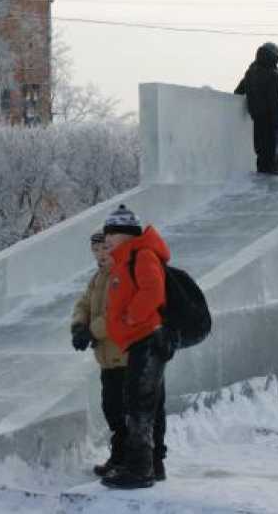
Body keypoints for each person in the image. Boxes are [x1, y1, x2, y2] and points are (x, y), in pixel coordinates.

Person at [71, 231, 169, 481]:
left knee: (133, 412)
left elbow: (117, 313)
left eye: (105, 248)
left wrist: (91, 331)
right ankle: (120, 455)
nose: (101, 255)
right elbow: (83, 303)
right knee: (113, 409)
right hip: (107, 358)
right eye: (95, 251)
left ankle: (142, 461)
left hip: (127, 355)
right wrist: (78, 325)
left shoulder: (123, 273)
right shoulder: (98, 277)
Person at [99, 205, 174, 490]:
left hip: (148, 338)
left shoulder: (141, 255)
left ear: (127, 234)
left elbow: (153, 289)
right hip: (140, 340)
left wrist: (131, 316)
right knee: (148, 402)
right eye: (107, 233)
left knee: (139, 405)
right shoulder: (127, 257)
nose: (108, 239)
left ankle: (140, 469)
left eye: (112, 233)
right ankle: (153, 465)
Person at [234, 42, 278, 174]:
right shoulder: (273, 72)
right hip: (270, 114)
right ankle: (270, 172)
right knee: (271, 145)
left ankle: (262, 172)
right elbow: (275, 98)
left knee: (260, 146)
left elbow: (239, 90)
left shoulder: (251, 70)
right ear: (273, 54)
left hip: (256, 114)